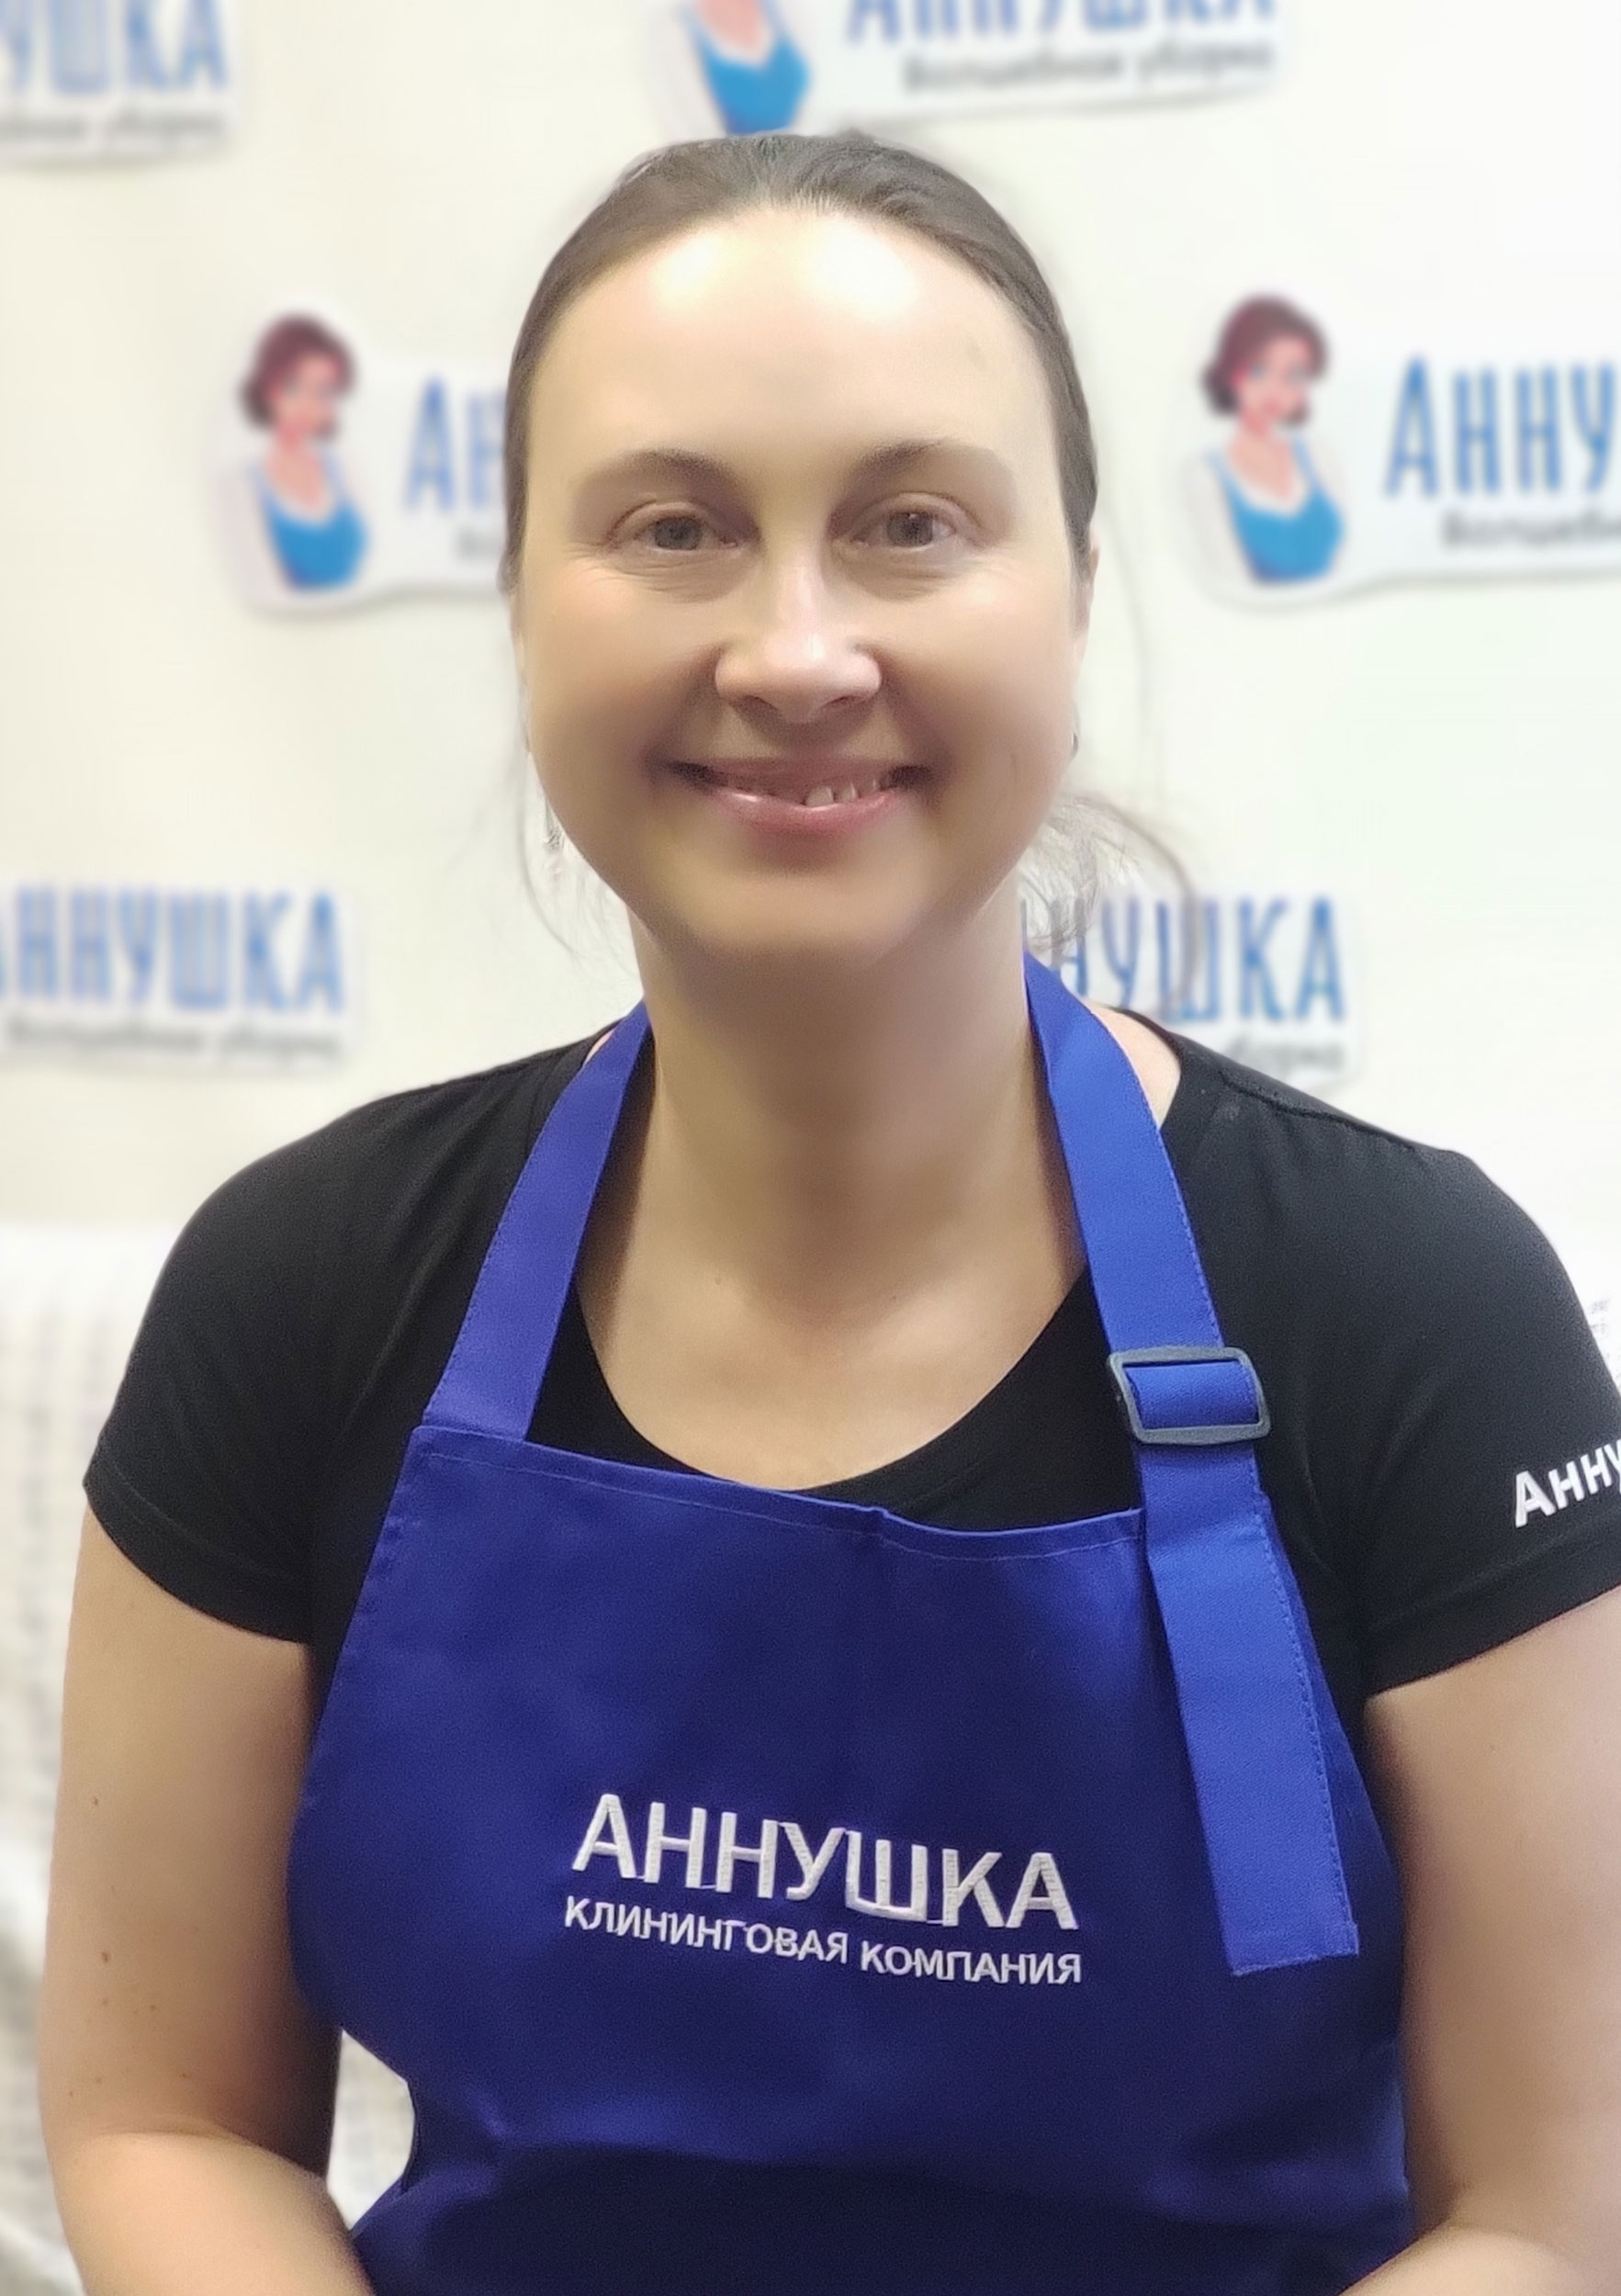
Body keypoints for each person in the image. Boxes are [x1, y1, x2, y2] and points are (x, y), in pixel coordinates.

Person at [39, 135, 1621, 2295]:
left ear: (1074, 589)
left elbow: (1553, 2208)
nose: (794, 651)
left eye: (910, 524)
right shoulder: (299, 1294)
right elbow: (165, 2114)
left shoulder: (1407, 1307)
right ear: (518, 595)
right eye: (673, 527)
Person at [1185, 296, 1345, 588]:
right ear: (1232, 372)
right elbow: (1230, 581)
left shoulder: (1319, 457)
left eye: (1293, 375)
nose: (1275, 390)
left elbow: (1347, 559)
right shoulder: (1207, 478)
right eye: (1259, 370)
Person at [231, 315, 369, 595]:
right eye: (293, 387)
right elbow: (262, 586)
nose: (307, 404)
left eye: (322, 392)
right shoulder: (242, 487)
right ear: (268, 389)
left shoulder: (347, 468)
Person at [680, 0, 810, 136]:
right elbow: (698, 132)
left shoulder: (786, 10)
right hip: (739, 146)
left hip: (813, 138)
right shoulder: (680, 34)